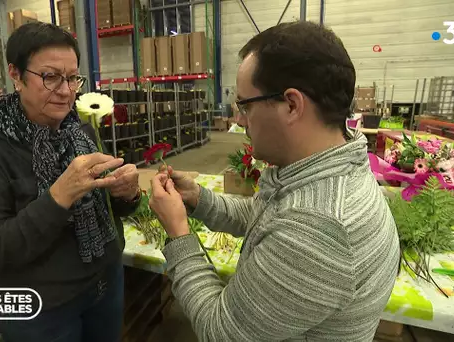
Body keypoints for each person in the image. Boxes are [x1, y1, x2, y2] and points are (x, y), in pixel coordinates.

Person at [149, 21, 400, 341]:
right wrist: (198, 198)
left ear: (292, 105)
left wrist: (178, 233)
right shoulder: (330, 170)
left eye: (244, 106)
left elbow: (220, 332)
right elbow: (264, 215)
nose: (239, 121)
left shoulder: (316, 228)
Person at [0, 22, 140, 342]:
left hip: (105, 285)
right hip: (42, 311)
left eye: (72, 78)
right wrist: (58, 196)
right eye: (51, 76)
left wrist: (127, 195)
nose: (67, 90)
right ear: (16, 75)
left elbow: (110, 210)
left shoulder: (81, 134)